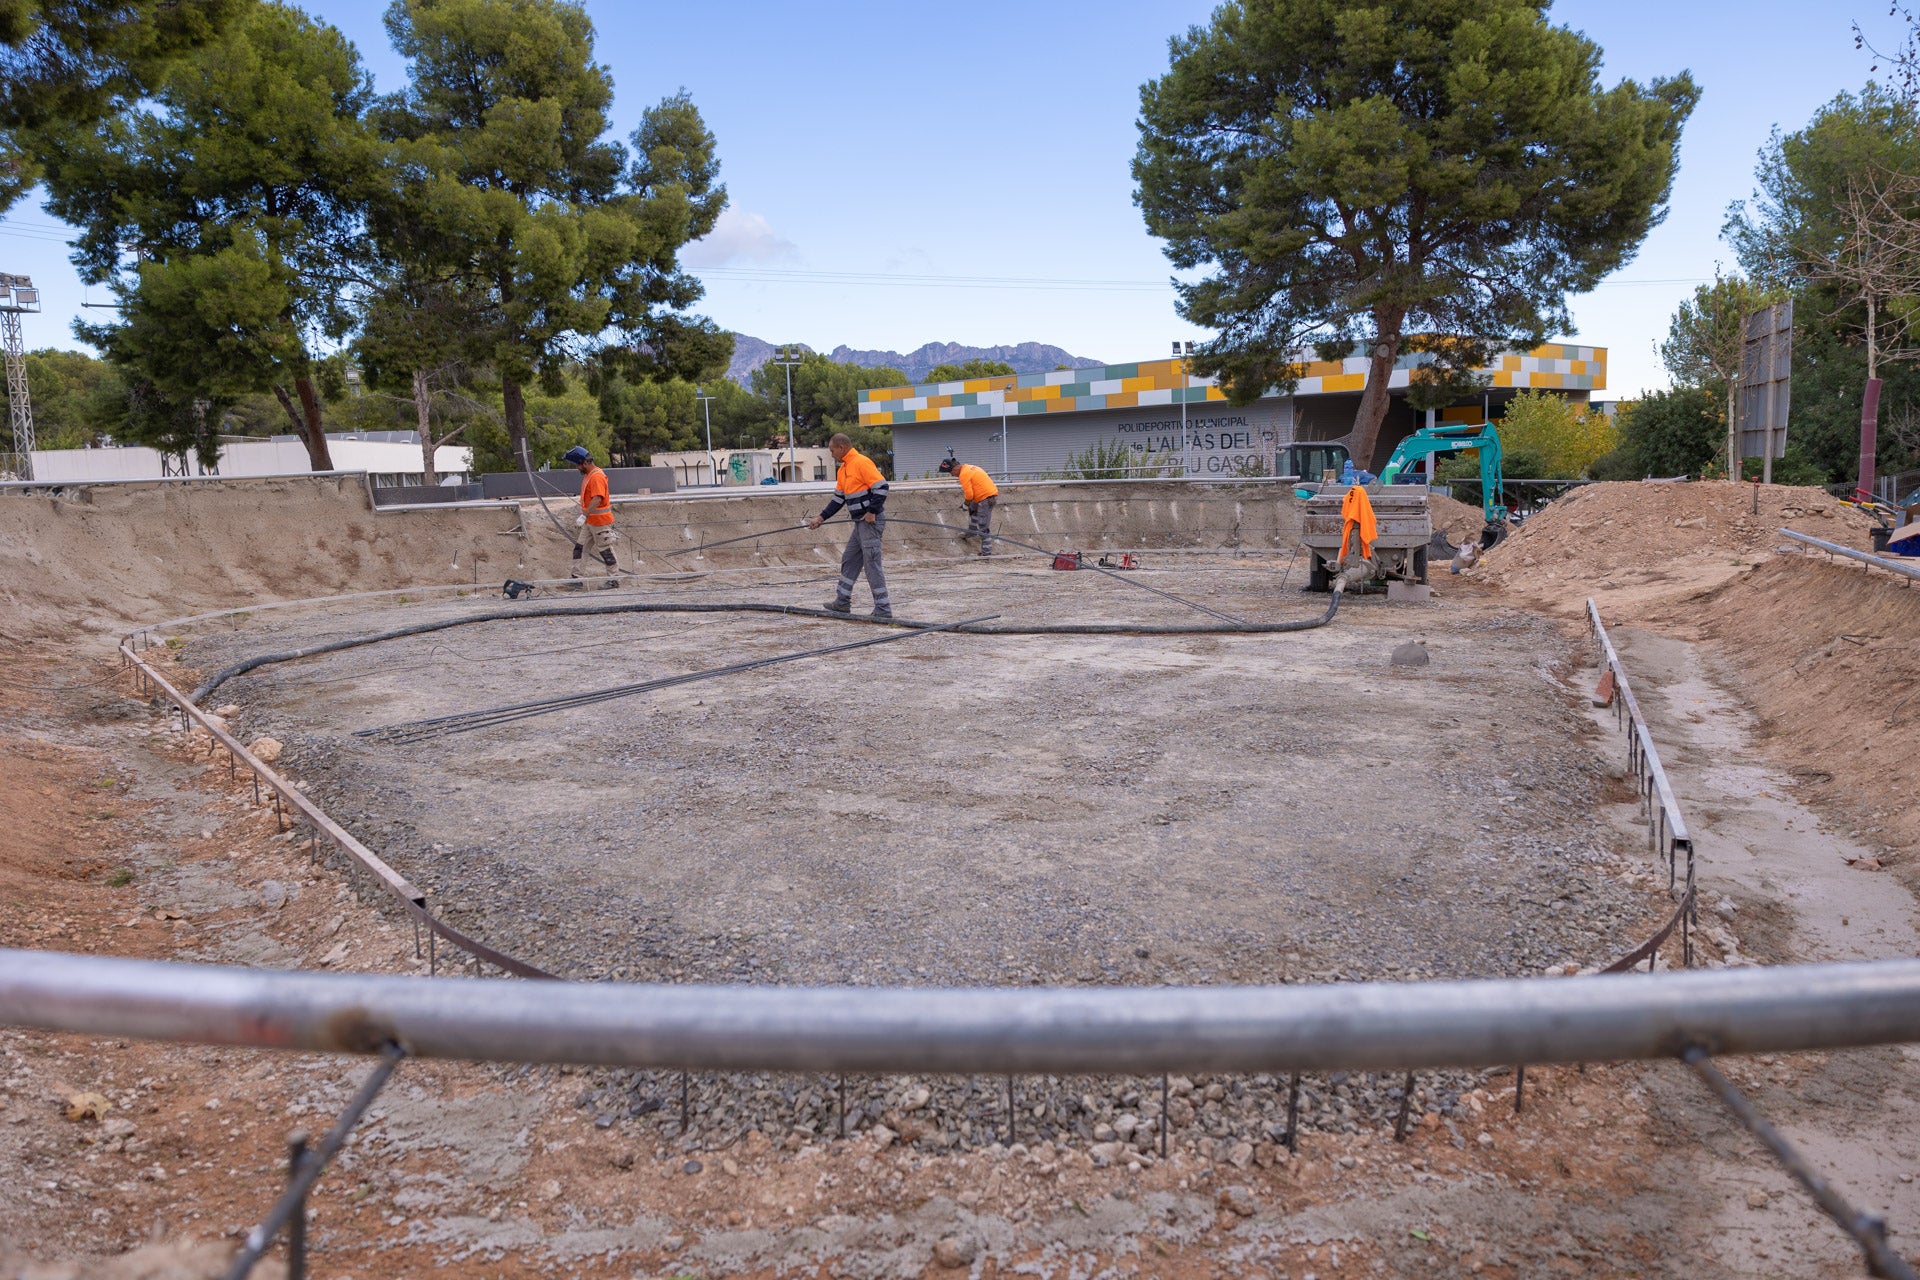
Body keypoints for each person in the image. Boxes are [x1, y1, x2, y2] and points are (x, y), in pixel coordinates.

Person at [806, 433, 892, 618]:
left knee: (872, 564)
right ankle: (842, 602)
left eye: (832, 450)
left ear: (842, 447)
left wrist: (871, 512)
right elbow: (838, 500)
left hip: (870, 522)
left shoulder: (861, 462)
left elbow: (882, 487)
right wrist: (820, 518)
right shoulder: (843, 469)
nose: (831, 454)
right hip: (860, 524)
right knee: (849, 559)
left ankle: (883, 609)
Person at [564, 445, 618, 588]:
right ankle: (577, 578)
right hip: (590, 521)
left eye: (578, 464)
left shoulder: (596, 477)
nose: (577, 468)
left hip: (599, 521)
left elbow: (597, 499)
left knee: (605, 549)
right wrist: (586, 517)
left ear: (585, 462)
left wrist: (584, 515)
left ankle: (614, 579)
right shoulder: (590, 475)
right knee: (580, 549)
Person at [938, 456, 998, 556]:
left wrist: (965, 504)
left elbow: (969, 495)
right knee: (973, 509)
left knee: (983, 526)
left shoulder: (964, 474)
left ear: (955, 468)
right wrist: (968, 505)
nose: (952, 475)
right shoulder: (970, 467)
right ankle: (972, 531)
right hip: (984, 496)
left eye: (951, 472)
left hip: (987, 499)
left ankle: (986, 553)